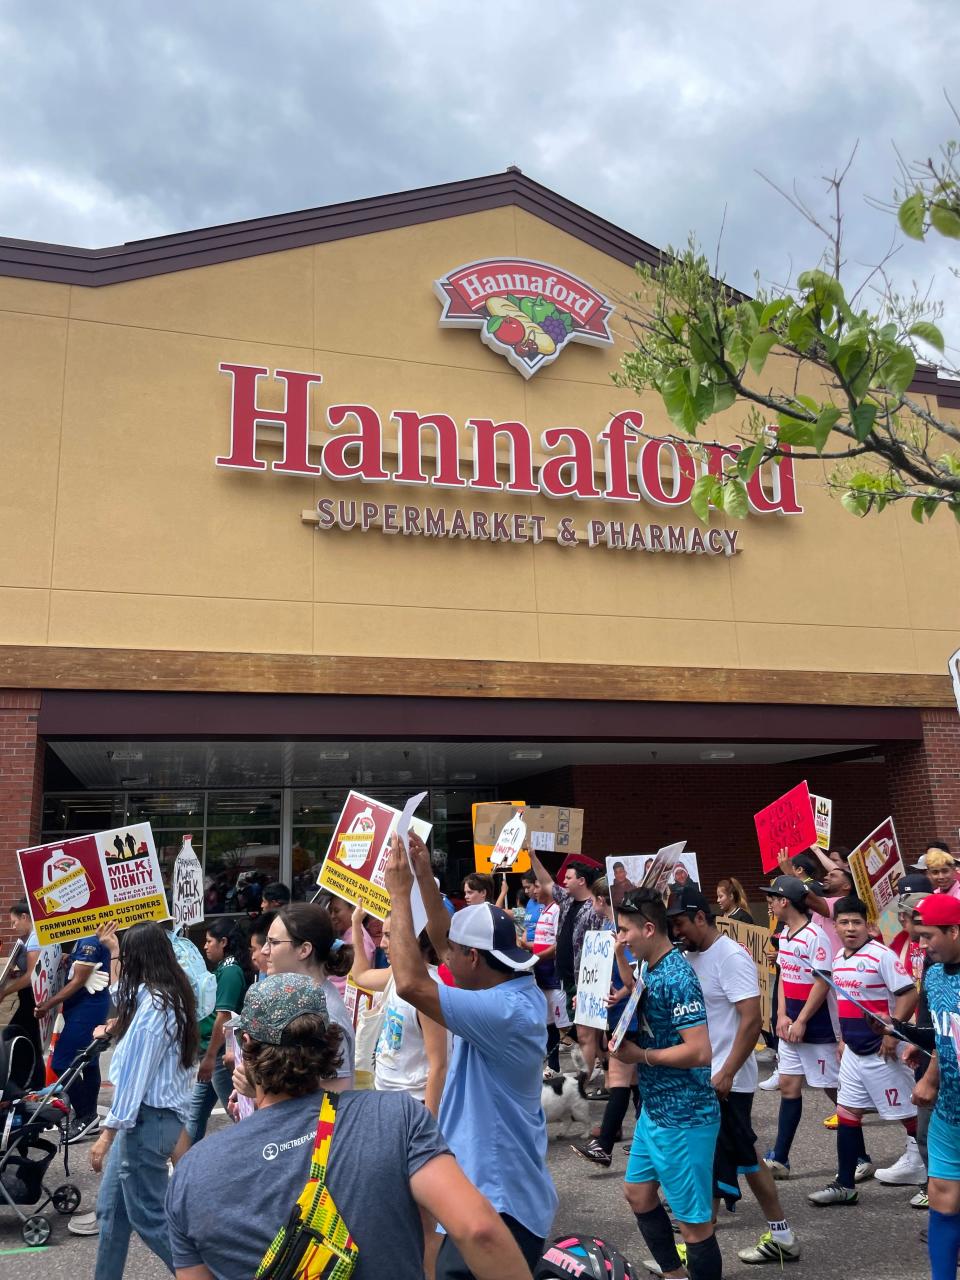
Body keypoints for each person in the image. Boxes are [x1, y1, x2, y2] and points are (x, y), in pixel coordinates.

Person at [166, 974, 534, 1280]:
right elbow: (479, 1231)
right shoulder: (395, 1118)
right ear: (328, 1040)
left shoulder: (193, 1172)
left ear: (247, 1044)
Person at [386, 833, 558, 1278]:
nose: (444, 957)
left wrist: (398, 895)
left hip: (499, 1206)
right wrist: (425, 877)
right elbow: (446, 945)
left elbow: (410, 982)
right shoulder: (498, 986)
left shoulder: (502, 1011)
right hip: (487, 1194)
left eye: (456, 953)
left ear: (475, 958)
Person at [667, 886, 800, 1265]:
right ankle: (781, 1234)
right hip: (704, 1077)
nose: (677, 932)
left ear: (700, 917)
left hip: (728, 1080)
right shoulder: (688, 956)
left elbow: (751, 1020)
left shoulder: (731, 957)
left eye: (680, 923)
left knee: (718, 1160)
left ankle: (698, 1250)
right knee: (740, 1156)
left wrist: (726, 1072)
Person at [609, 887, 721, 1280]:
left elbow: (700, 1051)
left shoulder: (677, 977)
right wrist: (618, 958)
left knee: (694, 1223)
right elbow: (636, 991)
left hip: (685, 1115)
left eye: (624, 931)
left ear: (650, 928)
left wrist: (641, 1057)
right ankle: (674, 1275)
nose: (620, 936)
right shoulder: (649, 966)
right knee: (637, 1194)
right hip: (656, 1112)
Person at [89, 921, 197, 1280]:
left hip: (146, 1121)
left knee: (149, 1217)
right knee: (111, 1213)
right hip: (148, 1121)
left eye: (127, 957)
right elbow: (121, 993)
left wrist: (105, 1136)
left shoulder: (155, 1007)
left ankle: (204, 1275)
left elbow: (134, 1082)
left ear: (140, 959)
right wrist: (114, 949)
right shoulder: (165, 993)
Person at [807, 895, 921, 1207]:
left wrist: (893, 1034)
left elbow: (908, 993)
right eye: (844, 922)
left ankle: (935, 1178)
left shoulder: (881, 955)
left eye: (857, 922)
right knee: (847, 1114)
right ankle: (844, 1185)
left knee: (911, 1116)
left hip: (882, 1051)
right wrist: (843, 1040)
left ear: (867, 925)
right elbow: (846, 1005)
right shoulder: (838, 959)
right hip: (854, 1054)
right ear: (836, 926)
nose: (850, 928)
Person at [759, 875, 866, 1181]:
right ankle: (780, 1157)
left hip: (817, 1026)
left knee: (836, 1092)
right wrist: (781, 1014)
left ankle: (860, 1156)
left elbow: (821, 982)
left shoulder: (814, 935)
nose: (769, 903)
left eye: (773, 898)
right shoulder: (786, 934)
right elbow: (784, 975)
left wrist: (803, 1019)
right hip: (790, 1024)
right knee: (789, 1087)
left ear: (786, 902)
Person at [905, 894, 960, 1280]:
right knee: (942, 1197)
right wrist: (929, 1075)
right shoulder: (936, 974)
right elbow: (944, 1036)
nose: (921, 945)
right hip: (950, 1111)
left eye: (927, 936)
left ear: (954, 930)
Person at [350, 903, 450, 1115]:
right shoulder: (395, 975)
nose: (382, 944)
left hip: (411, 1106)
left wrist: (428, 1128)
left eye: (389, 935)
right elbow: (360, 976)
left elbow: (439, 1066)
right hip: (383, 1096)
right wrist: (356, 924)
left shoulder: (428, 990)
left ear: (413, 938)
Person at [570, 876, 639, 1168]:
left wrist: (621, 992)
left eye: (595, 900)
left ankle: (605, 1144)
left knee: (622, 1079)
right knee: (634, 1082)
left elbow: (637, 973)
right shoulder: (608, 930)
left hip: (628, 1014)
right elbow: (601, 975)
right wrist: (585, 996)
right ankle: (641, 1140)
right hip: (617, 1013)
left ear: (600, 900)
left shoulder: (623, 930)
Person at [249, 902, 356, 1088]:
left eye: (273, 942)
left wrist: (257, 1093)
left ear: (304, 950)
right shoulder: (298, 999)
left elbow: (333, 1100)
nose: (265, 950)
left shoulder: (327, 1016)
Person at [35, 930, 112, 1142]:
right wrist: (70, 961)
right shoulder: (85, 936)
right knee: (89, 1062)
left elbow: (78, 981)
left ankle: (86, 1115)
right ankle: (90, 1117)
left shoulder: (90, 939)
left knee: (62, 1062)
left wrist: (47, 1005)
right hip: (84, 1006)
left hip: (87, 1008)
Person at [186, 917, 253, 1142]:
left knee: (239, 1113)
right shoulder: (224, 969)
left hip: (221, 1054)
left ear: (223, 942)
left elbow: (223, 1017)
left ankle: (258, 1154)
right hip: (212, 1052)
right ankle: (184, 1166)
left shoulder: (231, 971)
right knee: (194, 1115)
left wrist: (210, 1056)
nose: (205, 946)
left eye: (208, 941)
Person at [527, 853, 605, 1029]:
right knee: (574, 1026)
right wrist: (532, 856)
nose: (564, 881)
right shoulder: (566, 900)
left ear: (581, 881)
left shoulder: (595, 909)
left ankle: (599, 1055)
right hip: (565, 975)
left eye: (569, 878)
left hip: (585, 979)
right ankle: (598, 1055)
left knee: (582, 1029)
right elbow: (547, 882)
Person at [0, 901, 44, 1088]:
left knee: (14, 1037)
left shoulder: (34, 939)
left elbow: (31, 977)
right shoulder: (33, 937)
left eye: (14, 921)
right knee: (32, 1042)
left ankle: (22, 1084)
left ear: (25, 917)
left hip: (32, 999)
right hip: (31, 998)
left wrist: (4, 991)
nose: (13, 926)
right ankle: (33, 1084)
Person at [325, 893, 376, 994]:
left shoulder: (360, 939)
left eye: (336, 911)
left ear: (353, 910)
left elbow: (354, 980)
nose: (332, 916)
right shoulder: (345, 935)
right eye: (330, 911)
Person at [521, 870, 542, 941]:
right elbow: (527, 927)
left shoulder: (547, 903)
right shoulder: (530, 902)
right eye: (524, 888)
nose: (526, 891)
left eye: (528, 887)